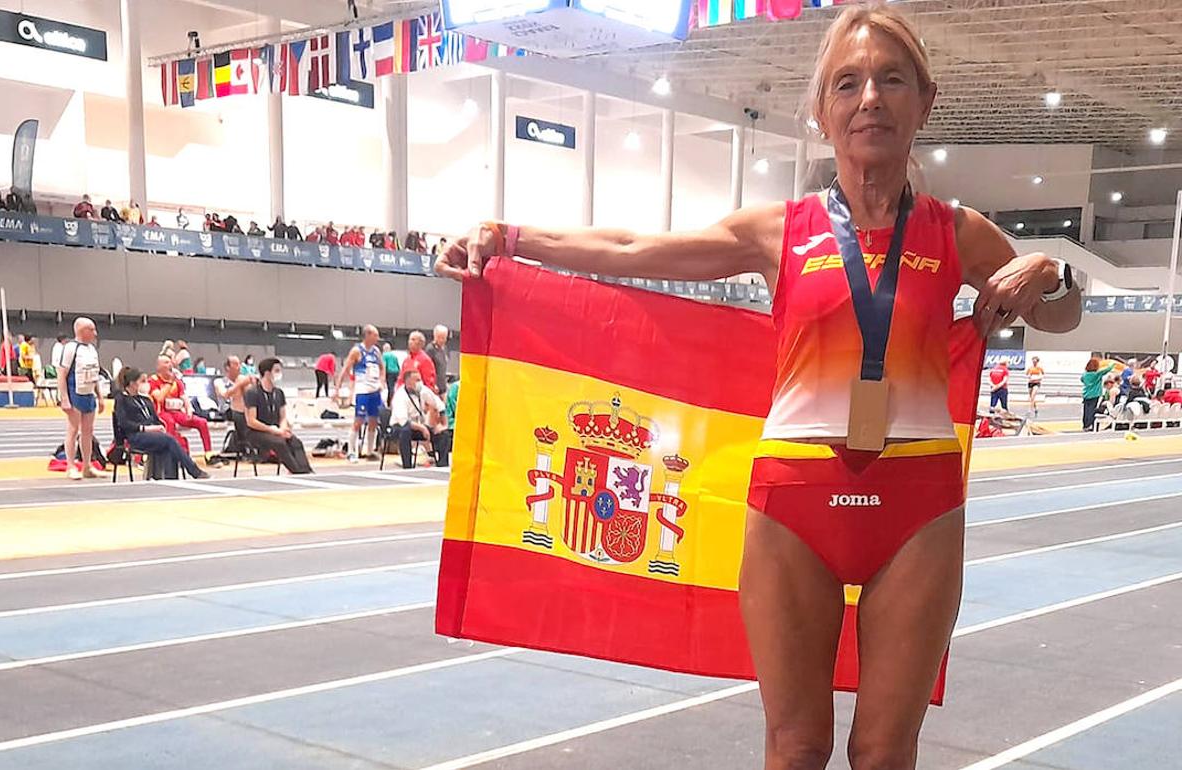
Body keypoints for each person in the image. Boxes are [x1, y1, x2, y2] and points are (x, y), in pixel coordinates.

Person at [434, 5, 1083, 766]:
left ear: (924, 102)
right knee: (795, 745)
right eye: (848, 83)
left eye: (890, 80)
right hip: (794, 508)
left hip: (918, 509)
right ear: (823, 111)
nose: (869, 98)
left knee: (884, 751)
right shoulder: (781, 229)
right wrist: (509, 238)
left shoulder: (959, 232)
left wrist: (1054, 271)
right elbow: (639, 245)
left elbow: (1061, 319)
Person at [115, 368, 209, 480]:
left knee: (168, 445)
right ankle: (194, 471)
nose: (146, 384)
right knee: (169, 441)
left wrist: (161, 427)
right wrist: (146, 429)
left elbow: (155, 419)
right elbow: (123, 423)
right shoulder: (122, 400)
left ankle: (171, 478)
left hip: (151, 434)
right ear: (132, 383)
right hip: (135, 436)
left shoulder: (145, 400)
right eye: (142, 381)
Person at [244, 358, 313, 474]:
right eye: (276, 370)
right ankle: (296, 471)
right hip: (256, 432)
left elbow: (283, 416)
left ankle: (306, 470)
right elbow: (251, 421)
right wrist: (272, 430)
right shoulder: (252, 393)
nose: (279, 374)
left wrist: (282, 429)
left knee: (295, 442)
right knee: (279, 443)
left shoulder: (279, 393)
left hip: (276, 431)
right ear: (267, 373)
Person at [58, 317, 106, 481]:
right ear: (81, 331)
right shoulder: (71, 348)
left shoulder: (92, 349)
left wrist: (100, 396)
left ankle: (87, 465)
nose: (95, 333)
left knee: (88, 431)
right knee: (73, 430)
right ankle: (71, 466)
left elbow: (95, 375)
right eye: (91, 330)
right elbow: (62, 373)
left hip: (89, 393)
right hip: (74, 392)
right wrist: (64, 397)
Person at [149, 354, 213, 463]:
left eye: (170, 362)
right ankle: (171, 453)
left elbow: (184, 397)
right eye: (166, 362)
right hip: (162, 412)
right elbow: (159, 398)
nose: (169, 365)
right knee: (169, 423)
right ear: (159, 366)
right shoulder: (153, 381)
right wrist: (169, 382)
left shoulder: (177, 381)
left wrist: (189, 410)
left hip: (177, 412)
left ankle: (209, 454)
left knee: (201, 422)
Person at [337, 326, 387, 460]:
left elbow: (383, 368)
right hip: (362, 391)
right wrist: (337, 388)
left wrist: (382, 382)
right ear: (368, 335)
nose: (377, 338)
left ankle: (370, 451)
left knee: (373, 421)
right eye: (375, 335)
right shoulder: (357, 351)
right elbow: (345, 369)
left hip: (375, 390)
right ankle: (352, 451)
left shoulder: (376, 351)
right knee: (358, 421)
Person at [389, 369, 449, 468]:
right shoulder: (400, 396)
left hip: (419, 426)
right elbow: (403, 421)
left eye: (420, 379)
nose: (419, 382)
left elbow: (440, 406)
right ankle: (407, 465)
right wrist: (422, 428)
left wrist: (444, 425)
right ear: (408, 382)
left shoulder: (423, 391)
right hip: (400, 426)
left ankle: (442, 464)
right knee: (405, 431)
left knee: (443, 434)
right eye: (416, 380)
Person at [1080, 357, 1114, 431]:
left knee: (1086, 410)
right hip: (1095, 394)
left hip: (1086, 394)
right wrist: (1111, 363)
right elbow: (1108, 369)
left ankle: (1085, 425)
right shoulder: (1097, 374)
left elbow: (1082, 380)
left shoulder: (1085, 375)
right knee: (1092, 410)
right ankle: (1090, 425)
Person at [425, 325, 450, 396]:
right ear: (434, 336)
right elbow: (428, 369)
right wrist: (433, 384)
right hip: (434, 387)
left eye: (444, 338)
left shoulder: (444, 348)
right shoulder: (430, 349)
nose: (442, 340)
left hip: (443, 386)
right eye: (440, 337)